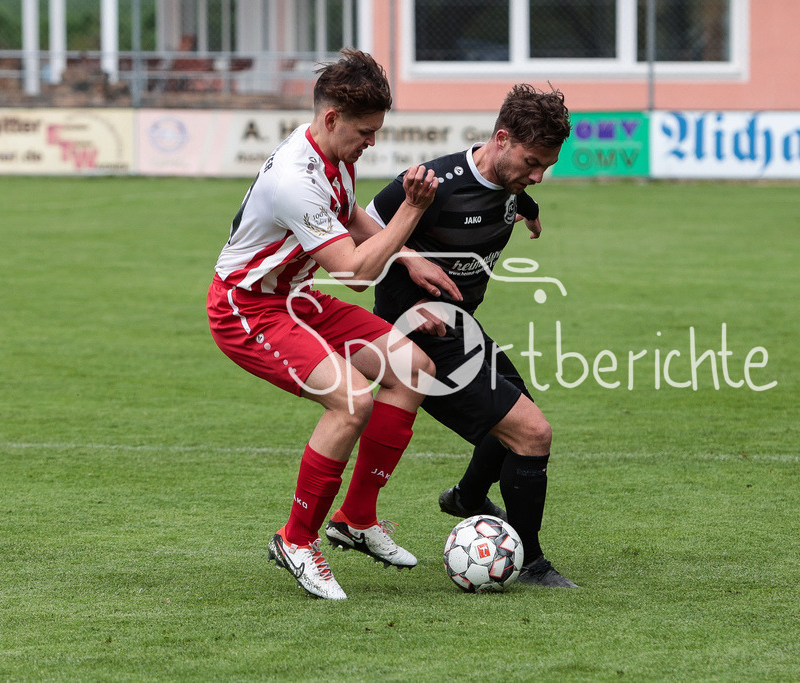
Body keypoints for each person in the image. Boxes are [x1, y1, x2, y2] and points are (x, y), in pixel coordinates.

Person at [206, 49, 454, 601]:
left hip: (295, 296)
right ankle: (295, 540)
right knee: (351, 401)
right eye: (366, 133)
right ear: (331, 118)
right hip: (246, 307)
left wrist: (409, 256)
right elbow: (357, 274)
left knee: (412, 369)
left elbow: (350, 214)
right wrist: (411, 212)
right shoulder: (295, 176)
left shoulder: (330, 151)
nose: (372, 143)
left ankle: (356, 519)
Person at [361, 84, 577, 587]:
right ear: (501, 139)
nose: (537, 175)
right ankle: (529, 563)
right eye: (531, 162)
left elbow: (507, 196)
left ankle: (466, 497)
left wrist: (528, 205)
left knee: (515, 410)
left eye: (546, 166)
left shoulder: (511, 186)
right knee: (531, 432)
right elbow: (360, 231)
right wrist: (409, 293)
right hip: (417, 337)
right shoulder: (432, 183)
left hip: (461, 328)